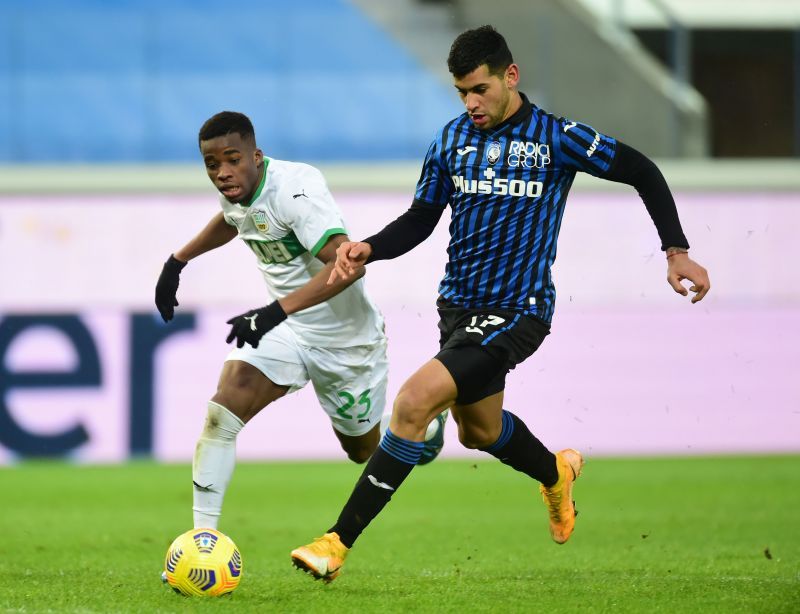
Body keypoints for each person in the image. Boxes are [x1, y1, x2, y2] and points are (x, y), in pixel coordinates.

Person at [290, 25, 710, 582]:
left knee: (414, 403)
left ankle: (335, 543)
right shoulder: (451, 140)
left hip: (519, 309)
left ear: (511, 76)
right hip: (458, 310)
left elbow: (642, 170)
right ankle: (556, 473)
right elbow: (421, 218)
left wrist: (675, 250)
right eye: (462, 92)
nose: (471, 103)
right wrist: (370, 247)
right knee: (479, 433)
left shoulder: (557, 138)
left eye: (480, 89)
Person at [154, 111, 447, 533]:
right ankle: (203, 538)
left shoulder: (296, 191)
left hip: (346, 340)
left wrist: (274, 311)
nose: (222, 173)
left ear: (256, 155)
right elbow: (234, 220)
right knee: (226, 404)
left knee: (362, 450)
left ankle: (421, 427)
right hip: (288, 329)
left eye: (232, 159)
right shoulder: (237, 189)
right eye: (211, 164)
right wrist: (177, 260)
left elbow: (349, 266)